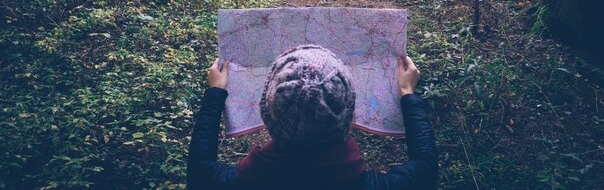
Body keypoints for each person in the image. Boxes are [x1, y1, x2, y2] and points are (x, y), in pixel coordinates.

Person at [187, 44, 438, 190]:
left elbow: (199, 167)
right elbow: (425, 167)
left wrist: (215, 93)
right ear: (350, 117)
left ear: (267, 115)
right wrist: (407, 93)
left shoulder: (237, 182)